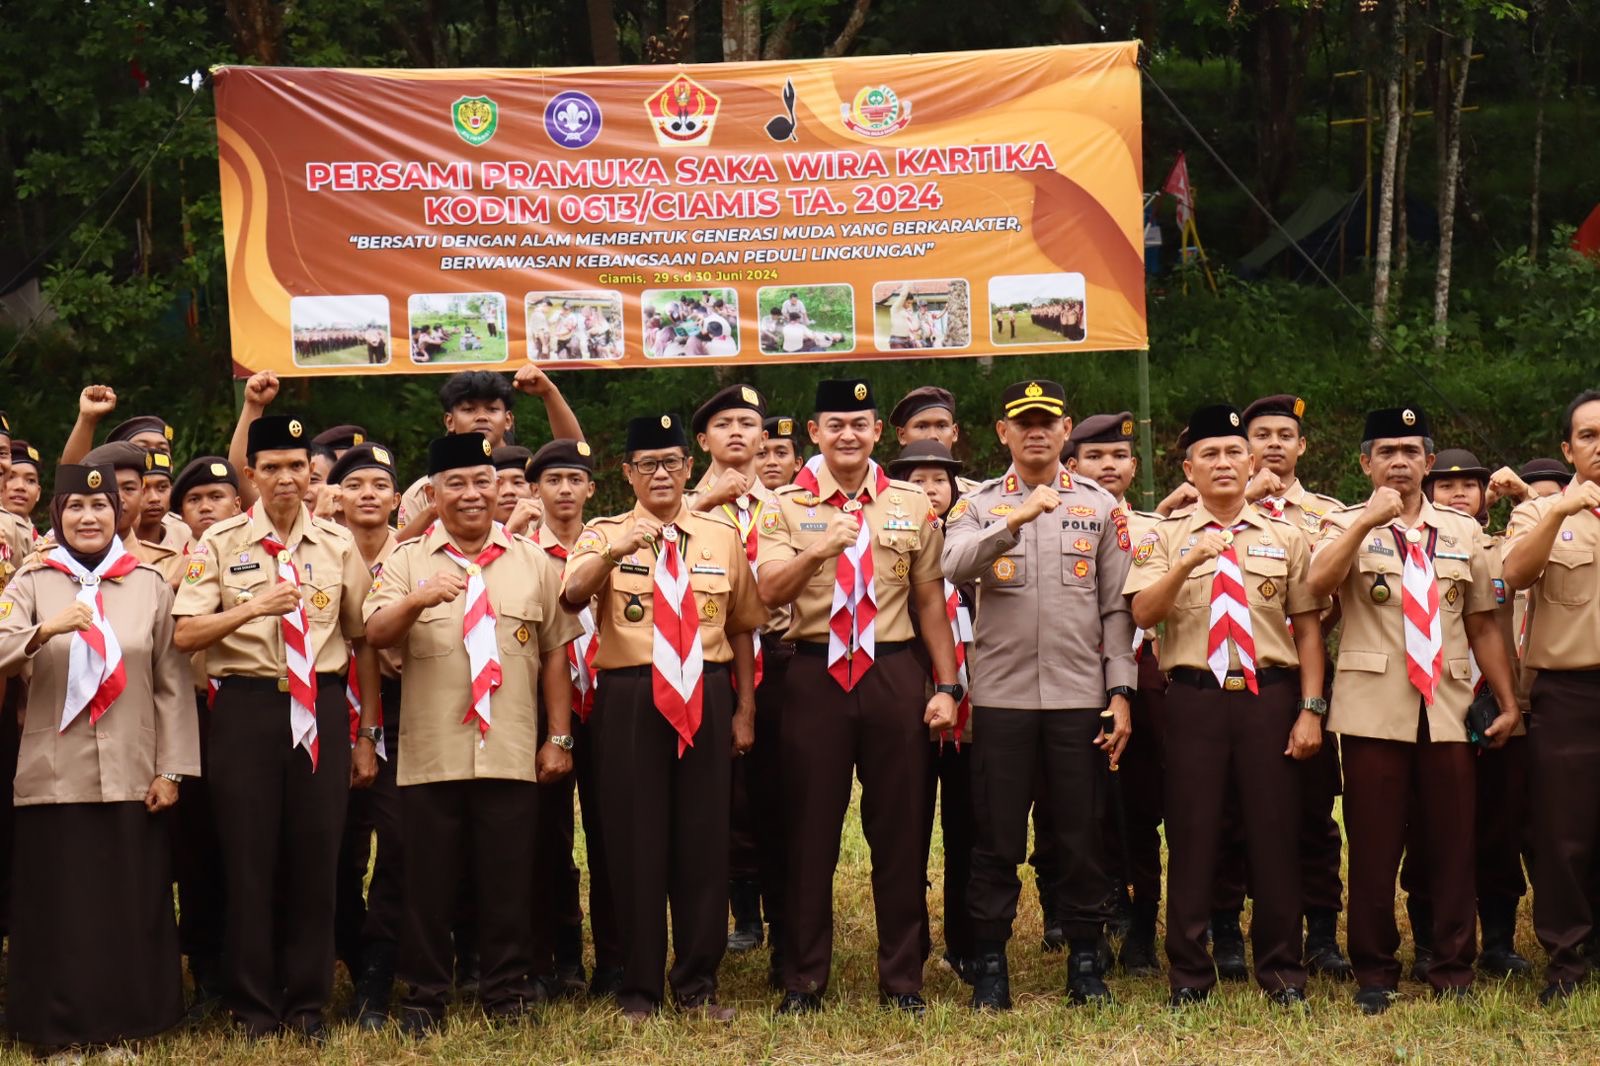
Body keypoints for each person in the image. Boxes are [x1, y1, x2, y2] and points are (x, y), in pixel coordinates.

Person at [171, 414, 380, 1039]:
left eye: (296, 466)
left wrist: (368, 732)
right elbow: (185, 633)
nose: (286, 478)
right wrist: (254, 608)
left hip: (320, 704)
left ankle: (309, 1002)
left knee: (317, 856)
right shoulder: (220, 543)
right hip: (247, 708)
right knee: (249, 857)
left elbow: (363, 639)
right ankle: (253, 1004)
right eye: (271, 468)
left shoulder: (339, 545)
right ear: (251, 478)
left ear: (310, 477)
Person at [755, 378, 960, 1015]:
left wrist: (948, 684)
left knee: (900, 830)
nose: (849, 434)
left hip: (893, 672)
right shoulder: (781, 506)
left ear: (877, 433)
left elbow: (929, 601)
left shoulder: (909, 502)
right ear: (814, 433)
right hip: (814, 674)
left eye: (860, 424)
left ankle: (902, 979)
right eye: (835, 424)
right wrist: (821, 545)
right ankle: (803, 978)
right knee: (809, 830)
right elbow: (768, 590)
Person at [1308, 406, 1520, 1015]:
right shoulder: (1344, 523)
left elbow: (1481, 622)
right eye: (1385, 451)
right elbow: (1317, 586)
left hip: (1449, 705)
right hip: (1375, 707)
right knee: (1373, 845)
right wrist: (1364, 523)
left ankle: (1451, 964)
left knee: (1453, 840)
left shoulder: (1462, 533)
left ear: (1429, 463)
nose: (1398, 461)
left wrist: (1507, 702)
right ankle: (1374, 970)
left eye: (1409, 451)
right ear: (1365, 463)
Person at [364, 432, 578, 1033]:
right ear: (433, 494)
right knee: (428, 882)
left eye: (482, 481)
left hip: (510, 745)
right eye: (455, 484)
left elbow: (556, 651)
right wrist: (420, 599)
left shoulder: (532, 559)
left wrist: (558, 737)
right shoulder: (406, 560)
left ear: (499, 488)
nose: (471, 494)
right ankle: (425, 996)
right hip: (432, 750)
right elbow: (376, 632)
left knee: (509, 878)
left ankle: (506, 993)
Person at [561, 414, 764, 1021]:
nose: (661, 475)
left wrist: (746, 709)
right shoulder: (603, 533)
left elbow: (743, 628)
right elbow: (571, 596)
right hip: (631, 696)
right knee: (634, 841)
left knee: (704, 840)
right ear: (626, 473)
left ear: (688, 466)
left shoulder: (719, 535)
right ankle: (639, 987)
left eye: (672, 462)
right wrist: (613, 554)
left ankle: (698, 984)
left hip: (708, 689)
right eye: (647, 464)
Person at [1125, 403, 1328, 1007]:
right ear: (1188, 468)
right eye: (1208, 454)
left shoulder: (1287, 536)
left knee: (1274, 833)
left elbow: (1309, 629)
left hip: (1269, 696)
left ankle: (1283, 972)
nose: (1222, 463)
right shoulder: (1161, 536)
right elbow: (1142, 614)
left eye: (1233, 452)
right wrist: (1189, 559)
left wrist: (1311, 707)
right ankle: (1189, 973)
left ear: (1250, 463)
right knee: (1192, 834)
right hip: (1194, 699)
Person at [941, 382, 1136, 1008]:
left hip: (1079, 696)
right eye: (1022, 423)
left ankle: (1085, 959)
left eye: (1046, 423)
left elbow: (1115, 610)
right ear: (1003, 432)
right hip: (1002, 700)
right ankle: (991, 962)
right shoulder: (975, 505)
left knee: (1081, 836)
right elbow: (956, 564)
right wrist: (1017, 517)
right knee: (995, 838)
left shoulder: (1101, 506)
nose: (1035, 433)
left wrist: (1121, 691)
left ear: (1065, 430)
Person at [0, 462, 200, 1052]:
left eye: (100, 507)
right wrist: (41, 631)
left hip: (132, 771)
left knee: (127, 901)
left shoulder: (148, 584)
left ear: (119, 513)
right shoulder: (34, 580)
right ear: (57, 516)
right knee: (60, 906)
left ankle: (129, 1024)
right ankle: (56, 1027)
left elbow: (171, 682)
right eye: (74, 508)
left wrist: (172, 770)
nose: (88, 518)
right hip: (53, 773)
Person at [1404, 448, 1534, 978]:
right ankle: (1432, 941)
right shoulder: (1413, 548)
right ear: (1428, 492)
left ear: (1487, 496)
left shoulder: (1510, 550)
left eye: (1470, 486)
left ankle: (1498, 940)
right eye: (1446, 486)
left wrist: (1527, 496)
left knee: (1499, 827)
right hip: (1437, 705)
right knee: (1429, 830)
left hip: (1500, 704)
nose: (1458, 494)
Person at [1237, 393, 1352, 981]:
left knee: (1312, 811)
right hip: (1233, 679)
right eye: (1263, 435)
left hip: (1304, 677)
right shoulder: (1214, 511)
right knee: (1237, 809)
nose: (1275, 444)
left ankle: (1323, 932)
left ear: (1303, 446)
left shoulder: (1331, 517)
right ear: (1244, 445)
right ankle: (1230, 927)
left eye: (1286, 435)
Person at [1501, 389, 1600, 1005]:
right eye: (1588, 436)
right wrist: (1560, 509)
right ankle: (1567, 957)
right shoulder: (1538, 513)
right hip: (1571, 692)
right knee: (1565, 834)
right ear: (1567, 449)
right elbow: (1511, 575)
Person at [1065, 410, 1167, 974]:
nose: (1109, 466)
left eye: (1118, 457)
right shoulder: (1059, 522)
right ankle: (1097, 922)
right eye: (1095, 457)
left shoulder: (1157, 529)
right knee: (1088, 812)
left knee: (1140, 810)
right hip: (1079, 679)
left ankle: (1143, 931)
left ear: (1133, 466)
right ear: (1072, 465)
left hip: (1146, 683)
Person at [526, 438, 619, 998]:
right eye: (552, 480)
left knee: (612, 835)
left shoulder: (614, 542)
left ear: (591, 488)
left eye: (574, 479)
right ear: (535, 490)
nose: (564, 489)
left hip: (608, 701)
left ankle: (615, 958)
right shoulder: (517, 551)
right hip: (542, 707)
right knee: (544, 838)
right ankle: (555, 958)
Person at [887, 439, 979, 988]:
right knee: (909, 829)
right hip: (911, 710)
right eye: (917, 481)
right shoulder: (889, 550)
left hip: (975, 715)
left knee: (967, 829)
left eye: (939, 482)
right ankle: (911, 940)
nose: (929, 491)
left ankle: (966, 944)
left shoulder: (975, 548)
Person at [325, 443, 407, 1028]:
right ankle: (353, 958)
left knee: (399, 845)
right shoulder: (318, 555)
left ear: (397, 497)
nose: (369, 494)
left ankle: (378, 973)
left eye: (380, 483)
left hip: (402, 718)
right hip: (328, 713)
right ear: (336, 497)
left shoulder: (419, 556)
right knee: (334, 852)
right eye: (355, 485)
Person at [166, 456, 242, 1007]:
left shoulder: (260, 554)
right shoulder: (161, 567)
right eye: (194, 499)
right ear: (181, 512)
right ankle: (207, 968)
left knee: (249, 839)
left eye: (218, 496)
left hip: (243, 709)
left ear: (239, 504)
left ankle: (251, 959)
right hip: (191, 713)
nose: (207, 506)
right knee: (197, 846)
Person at [889, 386, 982, 496]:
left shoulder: (978, 497)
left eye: (941, 426)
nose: (933, 436)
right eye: (922, 427)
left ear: (954, 432)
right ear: (902, 435)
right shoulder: (885, 497)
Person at [757, 416, 803, 490]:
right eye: (762, 454)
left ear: (797, 463)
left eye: (781, 453)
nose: (772, 462)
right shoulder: (735, 500)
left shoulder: (811, 501)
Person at [5, 439, 42, 527]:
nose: (20, 486)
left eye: (30, 480)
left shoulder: (41, 540)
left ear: (38, 493)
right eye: (10, 477)